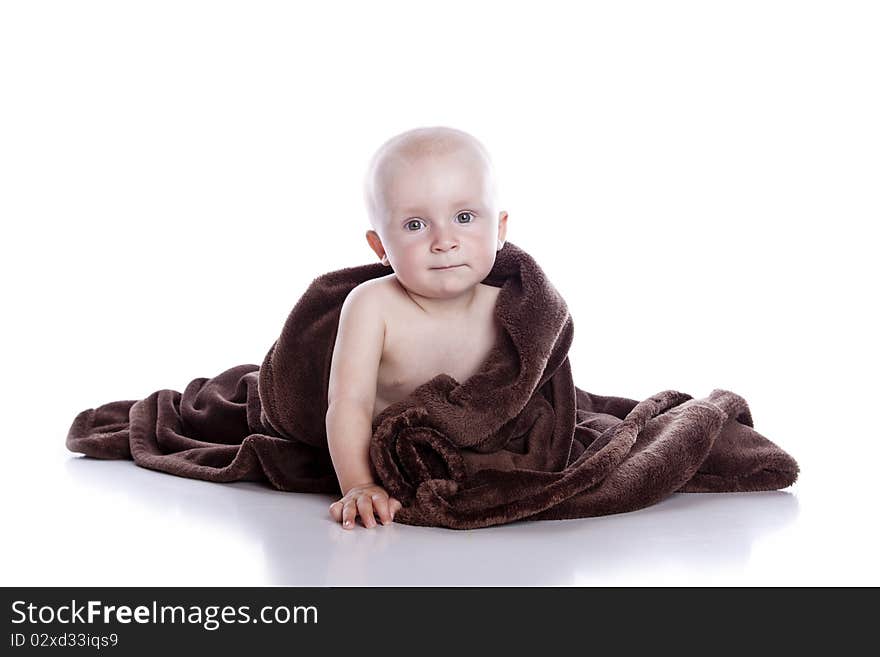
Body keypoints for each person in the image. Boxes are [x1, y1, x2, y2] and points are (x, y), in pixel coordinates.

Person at [327, 126, 509, 529]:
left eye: (464, 217)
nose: (444, 240)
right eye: (415, 225)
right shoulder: (373, 306)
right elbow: (348, 403)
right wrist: (358, 484)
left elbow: (530, 396)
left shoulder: (511, 310)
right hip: (386, 451)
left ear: (499, 229)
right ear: (380, 248)